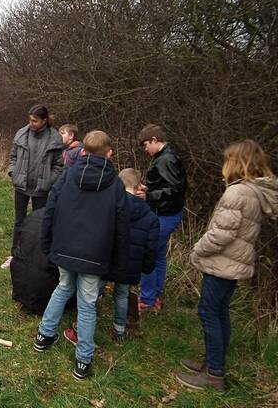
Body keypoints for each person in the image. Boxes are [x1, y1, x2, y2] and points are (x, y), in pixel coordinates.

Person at [176, 140, 277, 391]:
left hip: (223, 263)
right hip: (233, 263)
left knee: (208, 312)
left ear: (236, 162)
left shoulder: (238, 193)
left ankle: (214, 374)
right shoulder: (251, 192)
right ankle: (213, 362)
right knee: (219, 312)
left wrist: (198, 249)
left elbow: (222, 234)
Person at [33, 130, 129, 381]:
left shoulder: (67, 175)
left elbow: (49, 212)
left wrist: (48, 245)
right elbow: (122, 227)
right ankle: (82, 360)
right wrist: (117, 261)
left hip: (65, 249)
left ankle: (44, 336)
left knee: (63, 288)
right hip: (95, 257)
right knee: (87, 306)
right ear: (109, 153)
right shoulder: (117, 185)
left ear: (83, 151)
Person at [100, 168, 159, 343]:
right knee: (121, 295)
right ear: (139, 186)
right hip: (128, 265)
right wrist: (146, 267)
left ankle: (87, 322)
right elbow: (151, 247)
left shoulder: (110, 206)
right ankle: (119, 330)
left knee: (96, 291)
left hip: (106, 259)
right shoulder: (150, 217)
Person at [137, 124, 187, 312]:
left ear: (154, 140)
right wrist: (149, 189)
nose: (145, 149)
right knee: (158, 255)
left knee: (147, 255)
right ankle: (154, 293)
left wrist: (148, 196)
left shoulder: (166, 160)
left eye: (145, 145)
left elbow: (175, 190)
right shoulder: (166, 156)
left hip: (164, 216)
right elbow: (168, 186)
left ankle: (148, 300)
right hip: (167, 214)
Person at [7, 105, 64, 261]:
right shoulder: (21, 133)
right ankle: (15, 254)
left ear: (44, 120)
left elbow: (59, 165)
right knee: (19, 221)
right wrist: (13, 172)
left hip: (41, 189)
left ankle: (36, 255)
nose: (31, 123)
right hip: (21, 186)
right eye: (30, 120)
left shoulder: (55, 137)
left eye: (35, 120)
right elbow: (13, 157)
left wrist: (49, 180)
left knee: (39, 223)